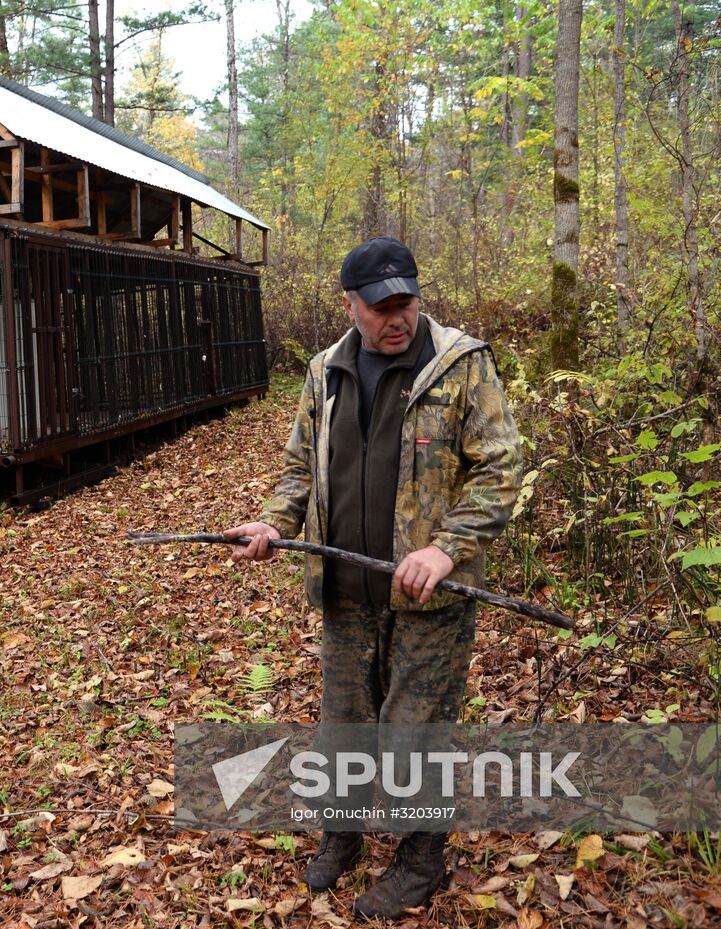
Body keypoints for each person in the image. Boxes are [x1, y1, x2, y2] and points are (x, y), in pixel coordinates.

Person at [224, 237, 523, 919]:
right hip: (345, 590)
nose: (400, 316)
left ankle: (420, 859)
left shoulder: (462, 366)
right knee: (345, 725)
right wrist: (274, 523)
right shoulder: (323, 372)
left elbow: (502, 470)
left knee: (415, 732)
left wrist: (447, 548)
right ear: (350, 305)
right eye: (383, 305)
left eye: (407, 300)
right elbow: (301, 467)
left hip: (430, 598)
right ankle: (343, 833)